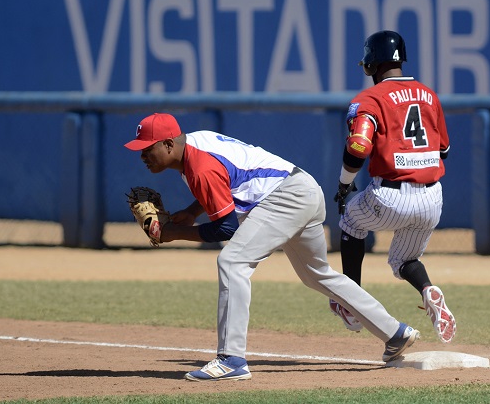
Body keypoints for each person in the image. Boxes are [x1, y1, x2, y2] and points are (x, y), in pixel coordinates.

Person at [124, 112, 420, 382]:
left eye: (146, 148)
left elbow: (227, 227)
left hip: (285, 197)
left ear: (167, 144)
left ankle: (231, 359)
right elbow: (223, 183)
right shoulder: (195, 144)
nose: (142, 156)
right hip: (303, 189)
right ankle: (394, 332)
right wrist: (191, 212)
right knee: (318, 274)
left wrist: (174, 233)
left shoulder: (199, 166)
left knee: (232, 262)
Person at [331, 30, 456, 344]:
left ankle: (351, 303)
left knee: (349, 220)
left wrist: (344, 185)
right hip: (432, 198)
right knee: (403, 261)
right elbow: (443, 150)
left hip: (390, 196)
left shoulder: (369, 99)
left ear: (371, 64)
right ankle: (428, 290)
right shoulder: (429, 94)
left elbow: (358, 146)